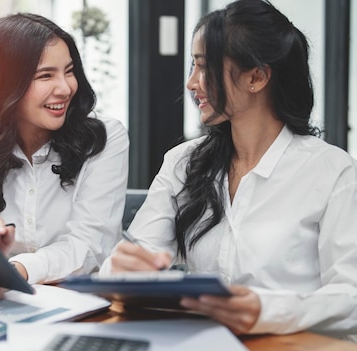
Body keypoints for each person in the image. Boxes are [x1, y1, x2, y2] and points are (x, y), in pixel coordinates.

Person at [101, 0, 357, 342]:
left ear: (257, 76)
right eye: (192, 66)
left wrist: (267, 311)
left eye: (205, 67)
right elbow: (124, 266)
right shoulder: (183, 162)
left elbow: (350, 297)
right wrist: (121, 270)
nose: (192, 83)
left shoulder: (331, 171)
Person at [0, 13, 129, 303]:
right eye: (46, 75)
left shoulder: (106, 137)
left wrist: (14, 271)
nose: (65, 88)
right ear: (6, 84)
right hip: (1, 302)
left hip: (88, 303)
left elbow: (90, 245)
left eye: (69, 71)